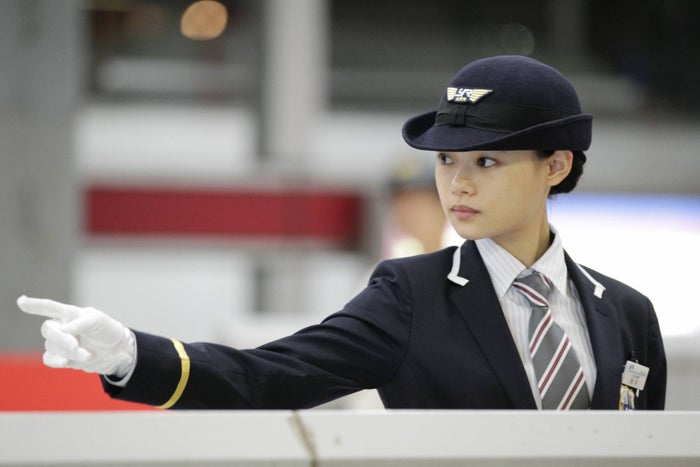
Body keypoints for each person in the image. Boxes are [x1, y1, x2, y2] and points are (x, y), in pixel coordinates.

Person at [17, 55, 666, 410]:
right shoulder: (411, 295)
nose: (457, 185)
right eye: (447, 160)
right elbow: (270, 374)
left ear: (555, 165)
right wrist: (132, 353)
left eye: (487, 161)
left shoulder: (628, 315)